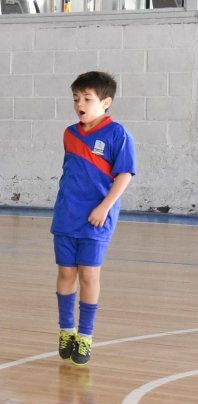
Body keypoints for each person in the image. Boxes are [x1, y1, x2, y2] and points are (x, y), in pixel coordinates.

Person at [51, 71, 136, 366]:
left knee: (89, 275)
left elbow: (124, 175)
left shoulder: (118, 135)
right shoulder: (69, 134)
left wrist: (104, 207)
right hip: (66, 216)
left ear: (106, 102)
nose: (80, 104)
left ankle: (85, 335)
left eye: (87, 99)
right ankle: (66, 331)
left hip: (97, 219)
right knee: (66, 273)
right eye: (76, 99)